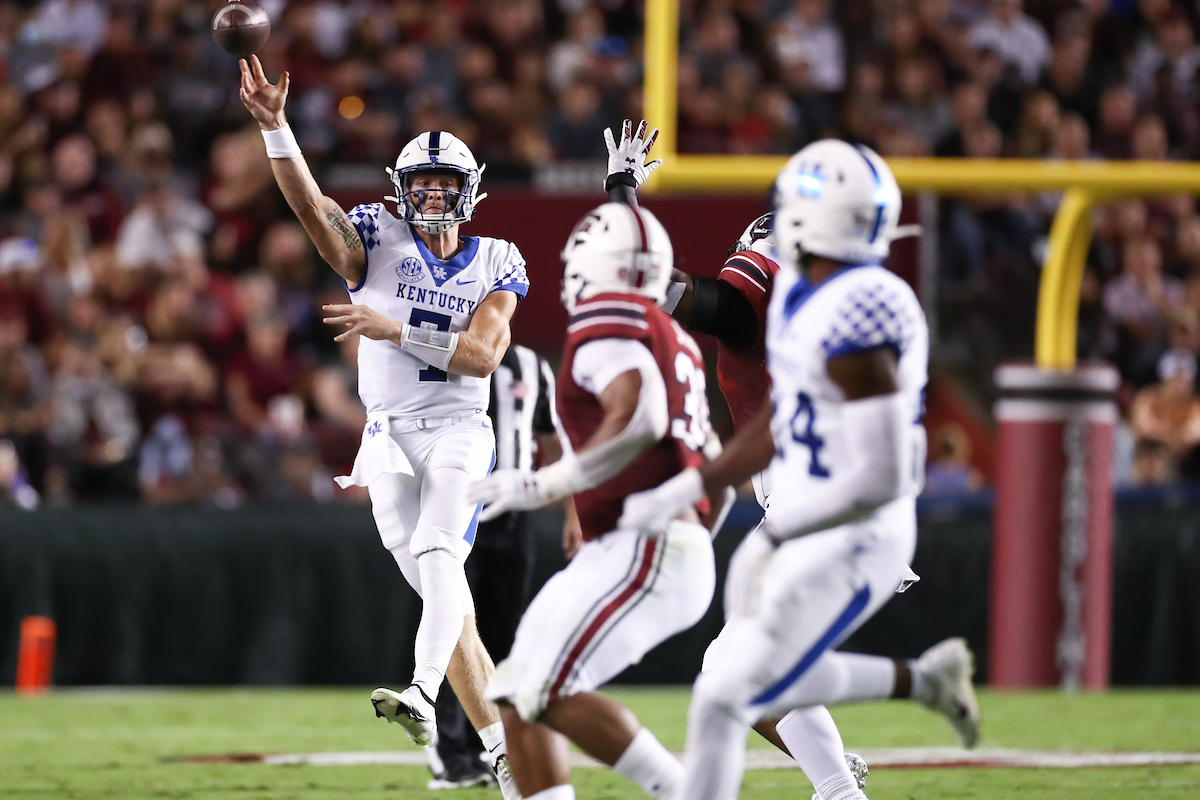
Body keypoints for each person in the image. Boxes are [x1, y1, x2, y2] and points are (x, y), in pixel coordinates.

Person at [621, 139, 981, 800]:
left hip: (845, 509)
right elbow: (780, 423)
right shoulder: (810, 301)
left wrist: (793, 530)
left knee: (730, 683)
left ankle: (863, 759)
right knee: (732, 676)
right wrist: (697, 485)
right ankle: (884, 732)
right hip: (813, 499)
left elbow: (881, 464)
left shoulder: (860, 304)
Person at [238, 55, 526, 797]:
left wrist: (393, 329)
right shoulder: (374, 238)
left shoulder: (496, 257)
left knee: (439, 551)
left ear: (470, 192)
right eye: (422, 184)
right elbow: (313, 212)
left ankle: (423, 697)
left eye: (445, 185)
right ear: (402, 191)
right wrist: (277, 130)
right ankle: (500, 748)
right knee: (442, 595)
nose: (433, 196)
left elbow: (484, 355)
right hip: (387, 435)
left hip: (460, 429)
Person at [466, 128, 726, 800]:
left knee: (544, 689)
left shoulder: (607, 316)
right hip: (651, 543)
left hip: (644, 546)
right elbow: (716, 464)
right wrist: (691, 528)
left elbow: (635, 414)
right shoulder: (673, 336)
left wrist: (546, 483)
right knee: (517, 689)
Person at [426, 343, 563, 790]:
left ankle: (485, 747)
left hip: (514, 513)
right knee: (455, 627)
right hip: (457, 505)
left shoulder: (532, 365)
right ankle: (450, 753)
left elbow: (552, 437)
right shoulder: (441, 351)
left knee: (502, 635)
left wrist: (576, 511)